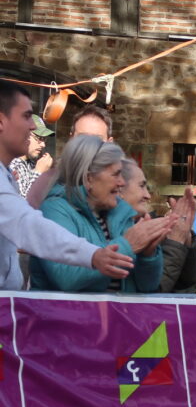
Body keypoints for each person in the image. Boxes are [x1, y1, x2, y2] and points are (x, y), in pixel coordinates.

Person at [0, 79, 132, 290]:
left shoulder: (6, 175)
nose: (33, 126)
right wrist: (96, 255)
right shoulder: (52, 197)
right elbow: (29, 227)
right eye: (26, 116)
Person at [29, 135, 172, 293]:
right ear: (89, 178)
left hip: (117, 310)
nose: (122, 182)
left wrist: (148, 254)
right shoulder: (54, 211)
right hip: (65, 310)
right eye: (116, 174)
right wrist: (128, 245)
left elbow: (147, 286)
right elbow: (66, 277)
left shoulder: (120, 213)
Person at [120, 158, 196, 293]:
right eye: (141, 186)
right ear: (119, 188)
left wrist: (187, 241)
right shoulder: (104, 229)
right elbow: (154, 292)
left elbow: (189, 286)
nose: (147, 196)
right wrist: (175, 243)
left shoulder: (154, 227)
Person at [25, 104, 115, 209]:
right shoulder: (51, 183)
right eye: (82, 137)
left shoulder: (121, 184)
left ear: (109, 143)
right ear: (71, 139)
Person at [9, 115, 54, 196]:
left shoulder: (32, 163)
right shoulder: (11, 166)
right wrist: (38, 172)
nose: (43, 145)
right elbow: (22, 202)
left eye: (44, 139)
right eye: (39, 138)